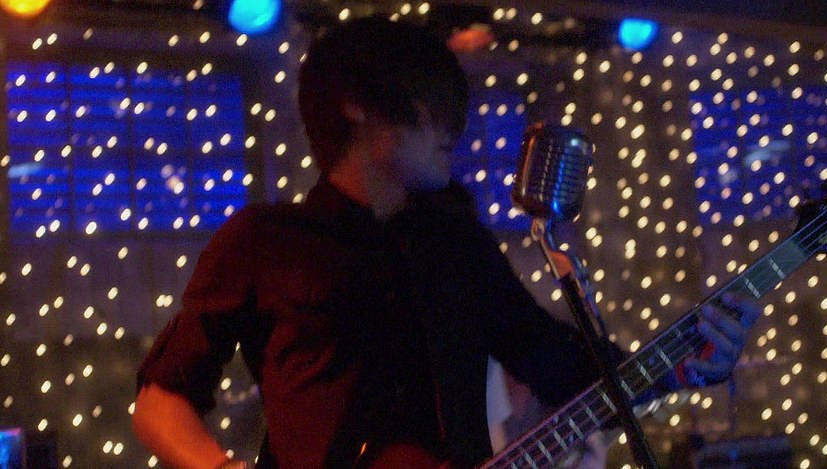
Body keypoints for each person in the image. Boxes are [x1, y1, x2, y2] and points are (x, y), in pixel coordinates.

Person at [131, 16, 760, 469]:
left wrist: (686, 365)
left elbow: (565, 368)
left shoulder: (457, 245)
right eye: (432, 100)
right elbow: (160, 401)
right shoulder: (264, 242)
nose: (455, 124)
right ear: (356, 105)